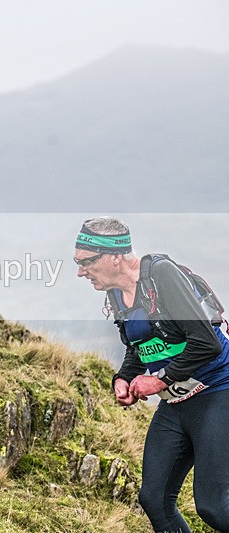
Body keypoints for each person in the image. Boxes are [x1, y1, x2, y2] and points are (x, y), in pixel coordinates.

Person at [75, 216, 229, 532]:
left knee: (214, 507)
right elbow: (138, 349)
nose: (81, 271)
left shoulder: (161, 275)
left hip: (218, 391)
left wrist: (159, 380)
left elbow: (206, 342)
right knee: (154, 500)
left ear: (114, 256)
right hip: (176, 403)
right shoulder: (116, 293)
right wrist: (122, 379)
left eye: (86, 262)